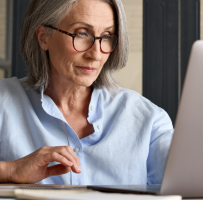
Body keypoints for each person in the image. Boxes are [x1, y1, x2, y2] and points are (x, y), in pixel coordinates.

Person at [0, 0, 173, 185]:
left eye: (106, 36)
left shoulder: (149, 119)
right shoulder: (4, 103)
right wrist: (9, 170)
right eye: (82, 33)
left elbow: (195, 182)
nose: (96, 54)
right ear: (43, 37)